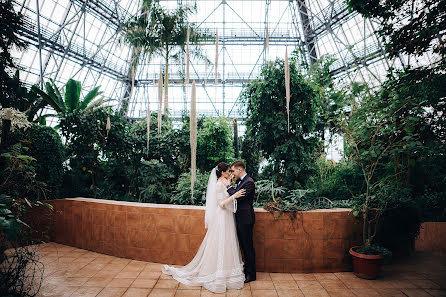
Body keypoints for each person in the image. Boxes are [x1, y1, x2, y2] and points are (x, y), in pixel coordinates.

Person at [162, 162, 246, 293]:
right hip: (222, 217)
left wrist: (231, 190)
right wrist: (234, 196)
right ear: (222, 172)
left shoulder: (226, 183)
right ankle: (217, 272)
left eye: (231, 171)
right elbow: (221, 204)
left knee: (228, 243)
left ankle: (228, 271)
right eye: (228, 171)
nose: (230, 173)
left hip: (228, 217)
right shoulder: (218, 185)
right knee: (220, 242)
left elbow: (229, 193)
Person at [221, 160, 256, 283]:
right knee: (244, 246)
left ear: (240, 169)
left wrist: (228, 186)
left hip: (246, 219)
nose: (232, 173)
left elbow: (238, 197)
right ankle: (246, 271)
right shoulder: (242, 182)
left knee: (247, 246)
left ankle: (251, 275)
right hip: (240, 218)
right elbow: (236, 195)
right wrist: (233, 191)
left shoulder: (249, 182)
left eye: (233, 170)